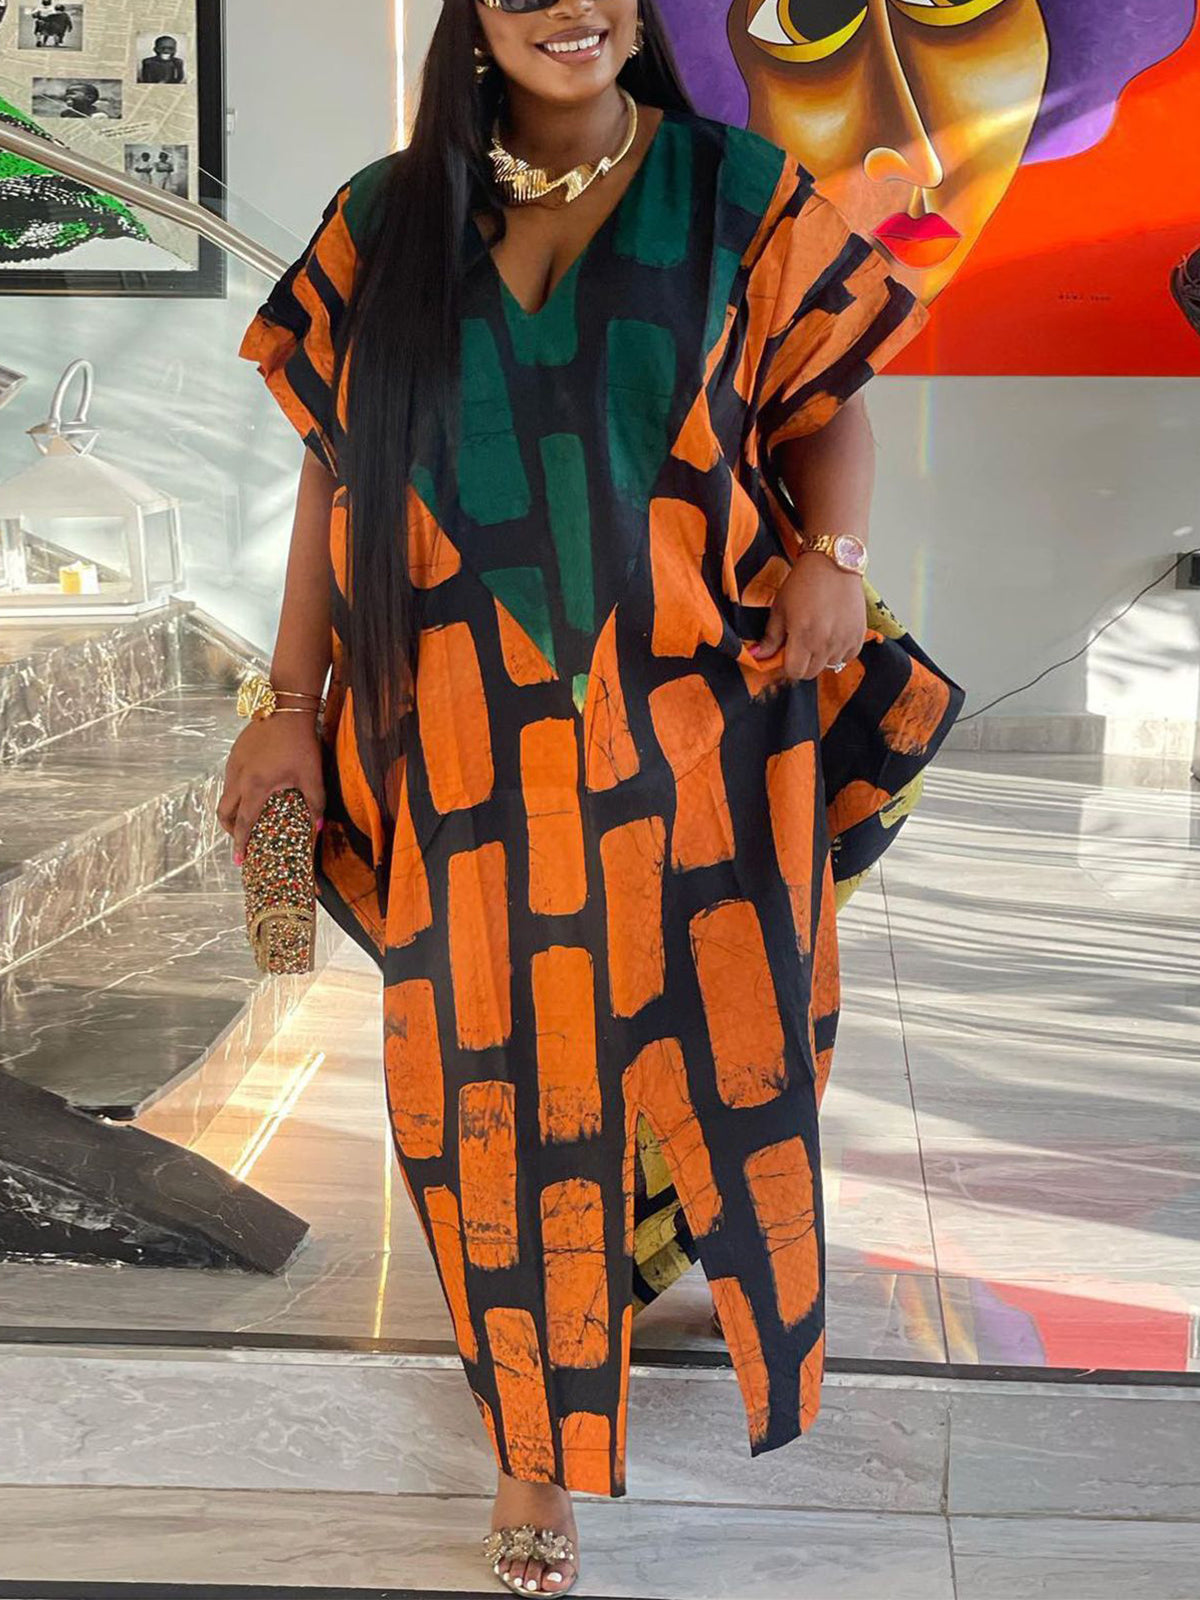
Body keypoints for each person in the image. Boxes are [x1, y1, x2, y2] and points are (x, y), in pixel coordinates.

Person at [224, 0, 965, 1593]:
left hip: (707, 722)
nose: (570, 9)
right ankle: (531, 1452)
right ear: (473, 16)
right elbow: (330, 474)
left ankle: (638, 1272)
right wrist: (289, 707)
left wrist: (836, 560)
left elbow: (828, 403)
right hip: (465, 744)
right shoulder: (383, 219)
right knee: (488, 1084)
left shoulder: (737, 190)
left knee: (725, 1031)